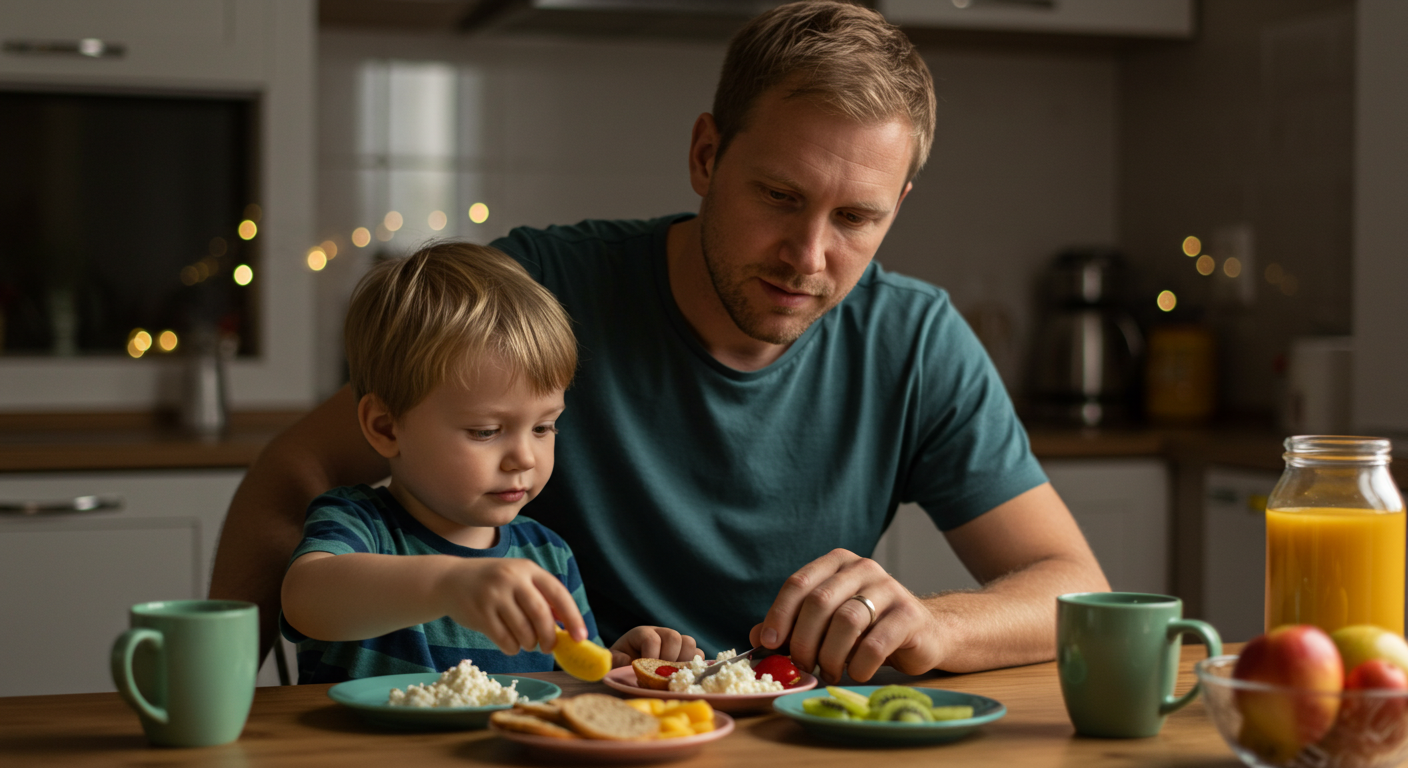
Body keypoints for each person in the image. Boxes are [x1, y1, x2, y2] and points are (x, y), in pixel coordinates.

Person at [212, 0, 1108, 684]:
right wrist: (218, 710)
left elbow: (1074, 588)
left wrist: (936, 625)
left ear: (897, 207)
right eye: (780, 197)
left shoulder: (914, 339)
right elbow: (295, 472)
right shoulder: (538, 293)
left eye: (856, 218)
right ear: (706, 157)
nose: (808, 257)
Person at [278, 242, 700, 683]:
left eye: (544, 427)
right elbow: (306, 600)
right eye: (485, 431)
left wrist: (617, 666)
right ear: (386, 427)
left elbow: (574, 683)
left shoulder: (548, 556)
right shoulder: (357, 523)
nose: (524, 457)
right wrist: (449, 584)